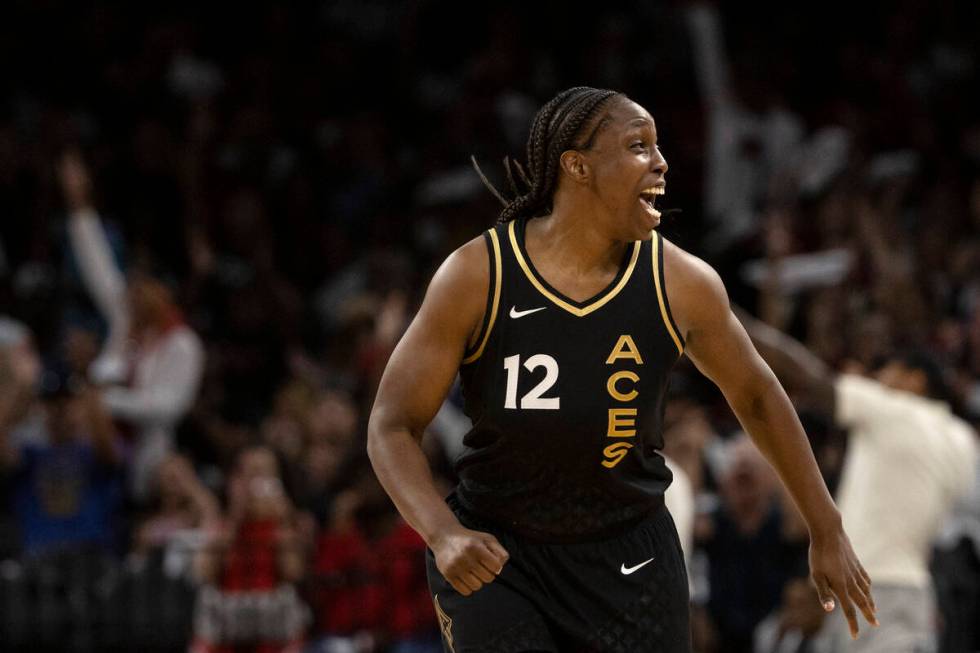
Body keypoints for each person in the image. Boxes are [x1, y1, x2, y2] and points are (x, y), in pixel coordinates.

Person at [367, 86, 877, 653]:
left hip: (631, 552)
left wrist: (826, 527)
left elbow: (757, 396)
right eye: (639, 146)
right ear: (577, 166)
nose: (661, 163)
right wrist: (441, 534)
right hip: (501, 553)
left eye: (658, 147)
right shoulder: (477, 275)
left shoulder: (681, 282)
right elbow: (391, 425)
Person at [741, 314, 978, 653]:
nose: (878, 379)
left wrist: (733, 323)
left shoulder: (891, 410)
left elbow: (811, 378)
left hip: (872, 584)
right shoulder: (963, 440)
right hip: (913, 591)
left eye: (887, 371)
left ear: (915, 380)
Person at [56, 150, 205, 502]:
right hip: (98, 455)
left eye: (142, 289)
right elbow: (99, 268)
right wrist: (80, 207)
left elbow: (167, 406)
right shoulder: (126, 322)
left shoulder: (183, 344)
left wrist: (105, 401)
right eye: (132, 287)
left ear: (164, 292)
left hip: (148, 465)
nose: (133, 296)